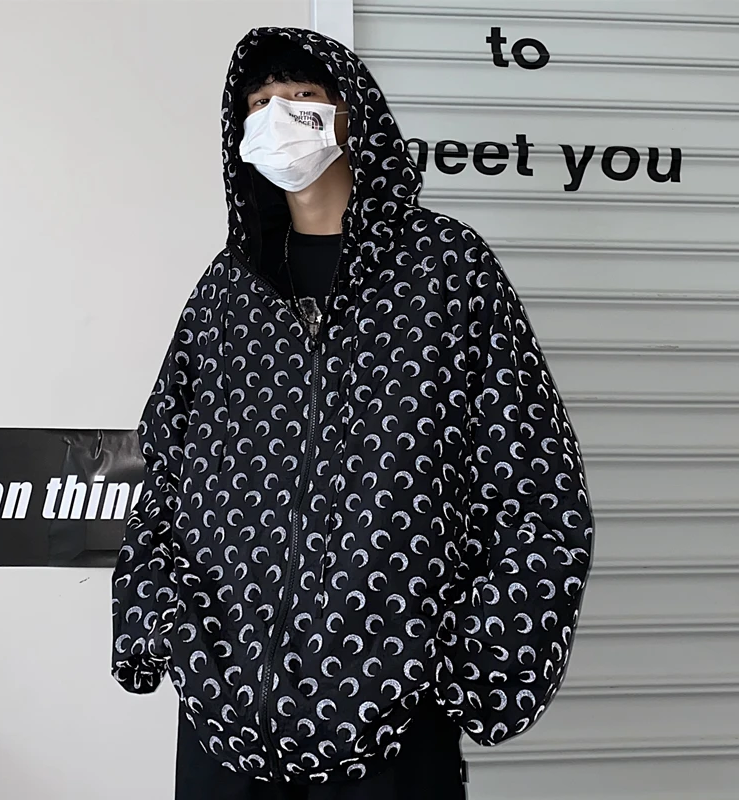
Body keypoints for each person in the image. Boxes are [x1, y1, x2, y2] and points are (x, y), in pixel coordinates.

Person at [110, 26, 594, 800]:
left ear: (351, 114)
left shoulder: (446, 271)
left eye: (303, 95)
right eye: (260, 102)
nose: (280, 114)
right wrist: (156, 620)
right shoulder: (229, 288)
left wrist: (470, 662)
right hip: (224, 719)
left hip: (392, 719)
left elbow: (535, 484)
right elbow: (165, 466)